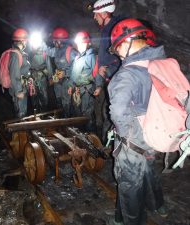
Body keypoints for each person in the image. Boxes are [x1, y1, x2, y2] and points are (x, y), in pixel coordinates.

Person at [107, 18, 167, 225]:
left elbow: (118, 111)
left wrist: (126, 137)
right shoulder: (158, 65)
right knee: (148, 171)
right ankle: (158, 206)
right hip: (156, 134)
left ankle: (131, 221)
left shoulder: (127, 74)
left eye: (118, 48)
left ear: (128, 42)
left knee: (129, 184)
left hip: (134, 141)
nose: (118, 53)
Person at [92, 0, 124, 142]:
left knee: (111, 114)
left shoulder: (116, 29)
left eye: (96, 14)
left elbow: (124, 56)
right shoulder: (107, 30)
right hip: (108, 80)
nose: (94, 17)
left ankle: (109, 146)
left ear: (104, 13)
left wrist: (109, 69)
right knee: (106, 112)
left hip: (117, 80)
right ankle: (106, 143)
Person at [70, 31, 104, 132]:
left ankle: (90, 136)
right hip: (77, 90)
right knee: (78, 113)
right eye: (79, 44)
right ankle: (81, 134)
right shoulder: (77, 58)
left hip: (87, 90)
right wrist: (70, 85)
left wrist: (98, 86)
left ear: (88, 43)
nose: (80, 46)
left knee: (87, 114)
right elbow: (73, 74)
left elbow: (96, 71)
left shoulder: (91, 56)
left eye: (82, 43)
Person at [45, 27, 79, 117]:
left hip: (67, 81)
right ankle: (61, 118)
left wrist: (65, 72)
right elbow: (48, 51)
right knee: (59, 100)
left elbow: (76, 67)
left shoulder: (71, 52)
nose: (53, 42)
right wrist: (40, 43)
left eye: (55, 40)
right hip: (58, 79)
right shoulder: (57, 50)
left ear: (60, 40)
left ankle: (67, 121)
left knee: (66, 102)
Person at [8, 28, 31, 118]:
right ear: (22, 41)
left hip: (22, 86)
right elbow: (14, 74)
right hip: (19, 89)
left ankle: (22, 127)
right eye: (26, 40)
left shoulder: (20, 53)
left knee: (22, 110)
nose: (27, 42)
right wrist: (18, 91)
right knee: (21, 112)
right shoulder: (15, 55)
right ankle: (21, 129)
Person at [29, 38, 54, 112]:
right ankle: (35, 112)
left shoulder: (44, 53)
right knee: (33, 95)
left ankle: (44, 112)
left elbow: (49, 65)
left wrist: (50, 78)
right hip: (32, 78)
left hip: (42, 77)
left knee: (44, 95)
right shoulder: (30, 53)